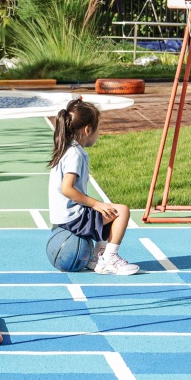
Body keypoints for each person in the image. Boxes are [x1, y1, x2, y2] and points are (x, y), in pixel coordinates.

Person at [47, 97, 138, 275]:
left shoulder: (66, 149)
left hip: (63, 216)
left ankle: (97, 257)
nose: (98, 133)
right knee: (120, 211)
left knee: (106, 211)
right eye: (98, 129)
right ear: (88, 130)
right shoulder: (75, 154)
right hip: (72, 217)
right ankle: (110, 258)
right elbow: (67, 189)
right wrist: (96, 204)